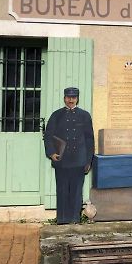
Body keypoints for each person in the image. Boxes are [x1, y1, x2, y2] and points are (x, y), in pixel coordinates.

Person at [44, 87, 94, 224]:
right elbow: (48, 136)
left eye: (73, 97)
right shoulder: (56, 115)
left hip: (79, 160)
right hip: (62, 160)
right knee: (62, 190)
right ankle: (62, 219)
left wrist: (89, 160)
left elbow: (90, 139)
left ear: (77, 98)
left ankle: (75, 219)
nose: (70, 100)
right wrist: (51, 153)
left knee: (77, 191)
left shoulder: (85, 116)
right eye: (68, 97)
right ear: (64, 98)